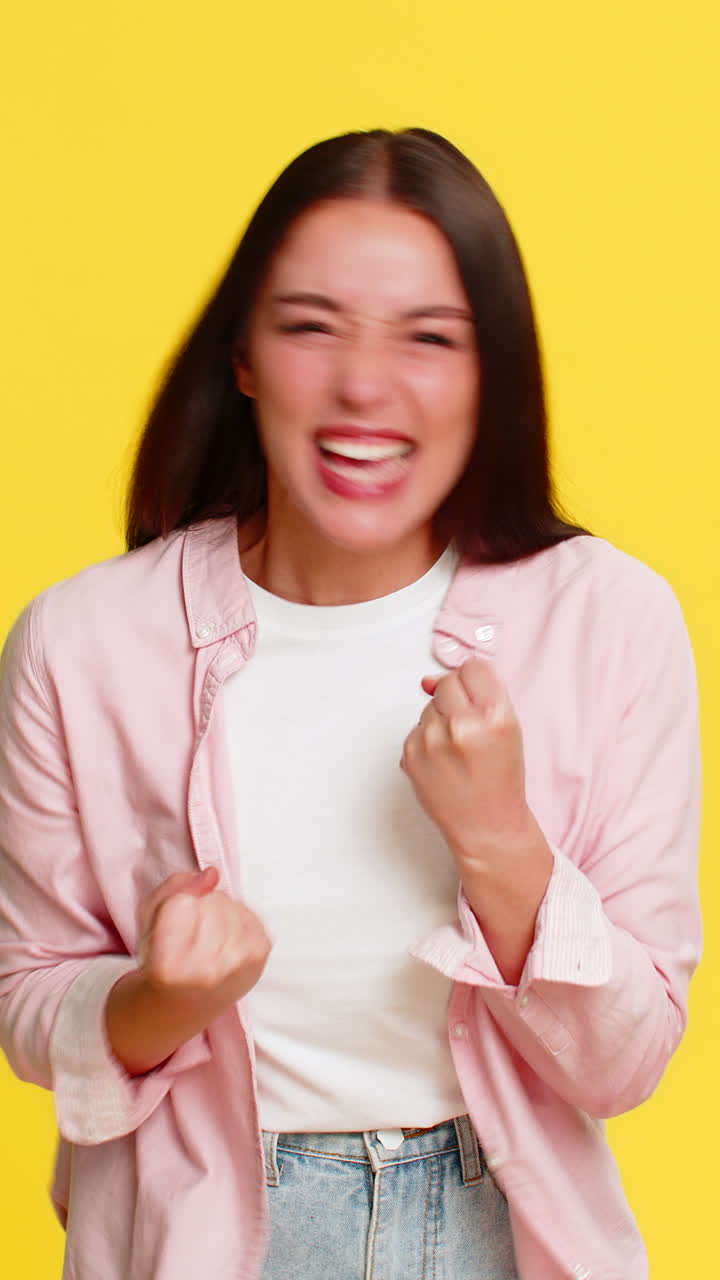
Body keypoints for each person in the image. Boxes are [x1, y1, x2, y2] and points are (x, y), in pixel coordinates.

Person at [0, 128, 701, 1280]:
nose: (365, 383)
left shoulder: (611, 620)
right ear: (243, 354)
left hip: (500, 1234)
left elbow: (626, 1062)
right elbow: (29, 992)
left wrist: (502, 839)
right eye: (312, 325)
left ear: (491, 373)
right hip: (197, 1242)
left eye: (430, 336)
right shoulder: (79, 643)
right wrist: (155, 997)